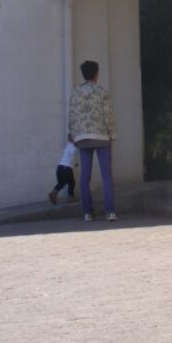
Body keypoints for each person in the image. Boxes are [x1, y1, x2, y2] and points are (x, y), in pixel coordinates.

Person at [68, 60, 117, 222]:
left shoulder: (75, 93)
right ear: (96, 73)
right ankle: (110, 211)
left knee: (85, 176)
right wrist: (112, 134)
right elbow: (108, 115)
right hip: (101, 136)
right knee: (106, 175)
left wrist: (72, 133)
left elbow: (72, 115)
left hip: (82, 137)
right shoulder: (102, 91)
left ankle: (88, 212)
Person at [48, 140, 78, 205]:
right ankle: (71, 197)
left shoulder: (68, 145)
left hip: (60, 167)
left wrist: (75, 164)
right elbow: (72, 155)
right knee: (72, 183)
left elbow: (70, 158)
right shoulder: (73, 147)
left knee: (61, 183)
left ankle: (54, 193)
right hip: (66, 168)